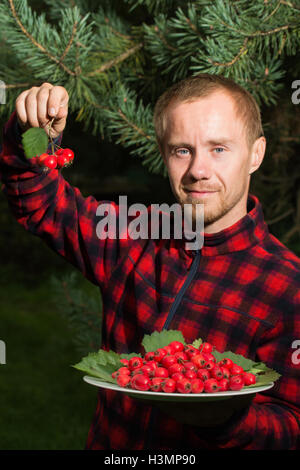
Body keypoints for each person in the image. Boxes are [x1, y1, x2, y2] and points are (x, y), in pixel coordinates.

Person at [0, 74, 299, 450]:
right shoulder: (133, 237)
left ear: (255, 154)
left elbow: (292, 423)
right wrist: (34, 132)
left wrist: (227, 422)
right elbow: (38, 201)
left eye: (219, 149)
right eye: (182, 150)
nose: (198, 170)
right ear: (164, 154)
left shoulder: (288, 287)